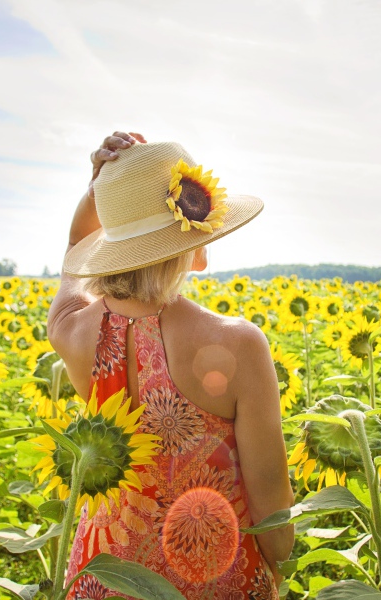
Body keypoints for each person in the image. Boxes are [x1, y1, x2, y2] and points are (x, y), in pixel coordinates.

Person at [47, 131, 295, 599]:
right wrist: (278, 576)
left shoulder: (71, 330)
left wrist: (99, 191)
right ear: (192, 236)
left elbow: (74, 253)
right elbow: (271, 505)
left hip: (102, 577)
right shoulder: (238, 344)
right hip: (216, 578)